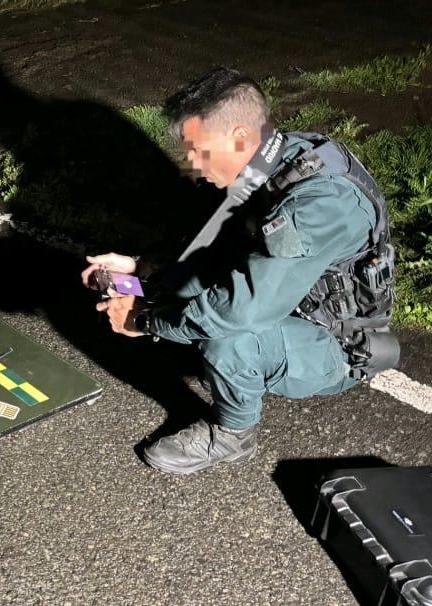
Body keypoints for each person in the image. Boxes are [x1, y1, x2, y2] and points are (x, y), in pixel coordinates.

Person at [82, 68, 398, 475]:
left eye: (198, 152)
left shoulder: (321, 205)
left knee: (227, 335)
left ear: (240, 137)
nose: (192, 164)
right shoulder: (271, 161)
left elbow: (238, 311)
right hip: (282, 299)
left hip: (333, 343)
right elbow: (208, 245)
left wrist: (144, 321)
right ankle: (230, 361)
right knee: (192, 292)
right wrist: (136, 272)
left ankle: (233, 436)